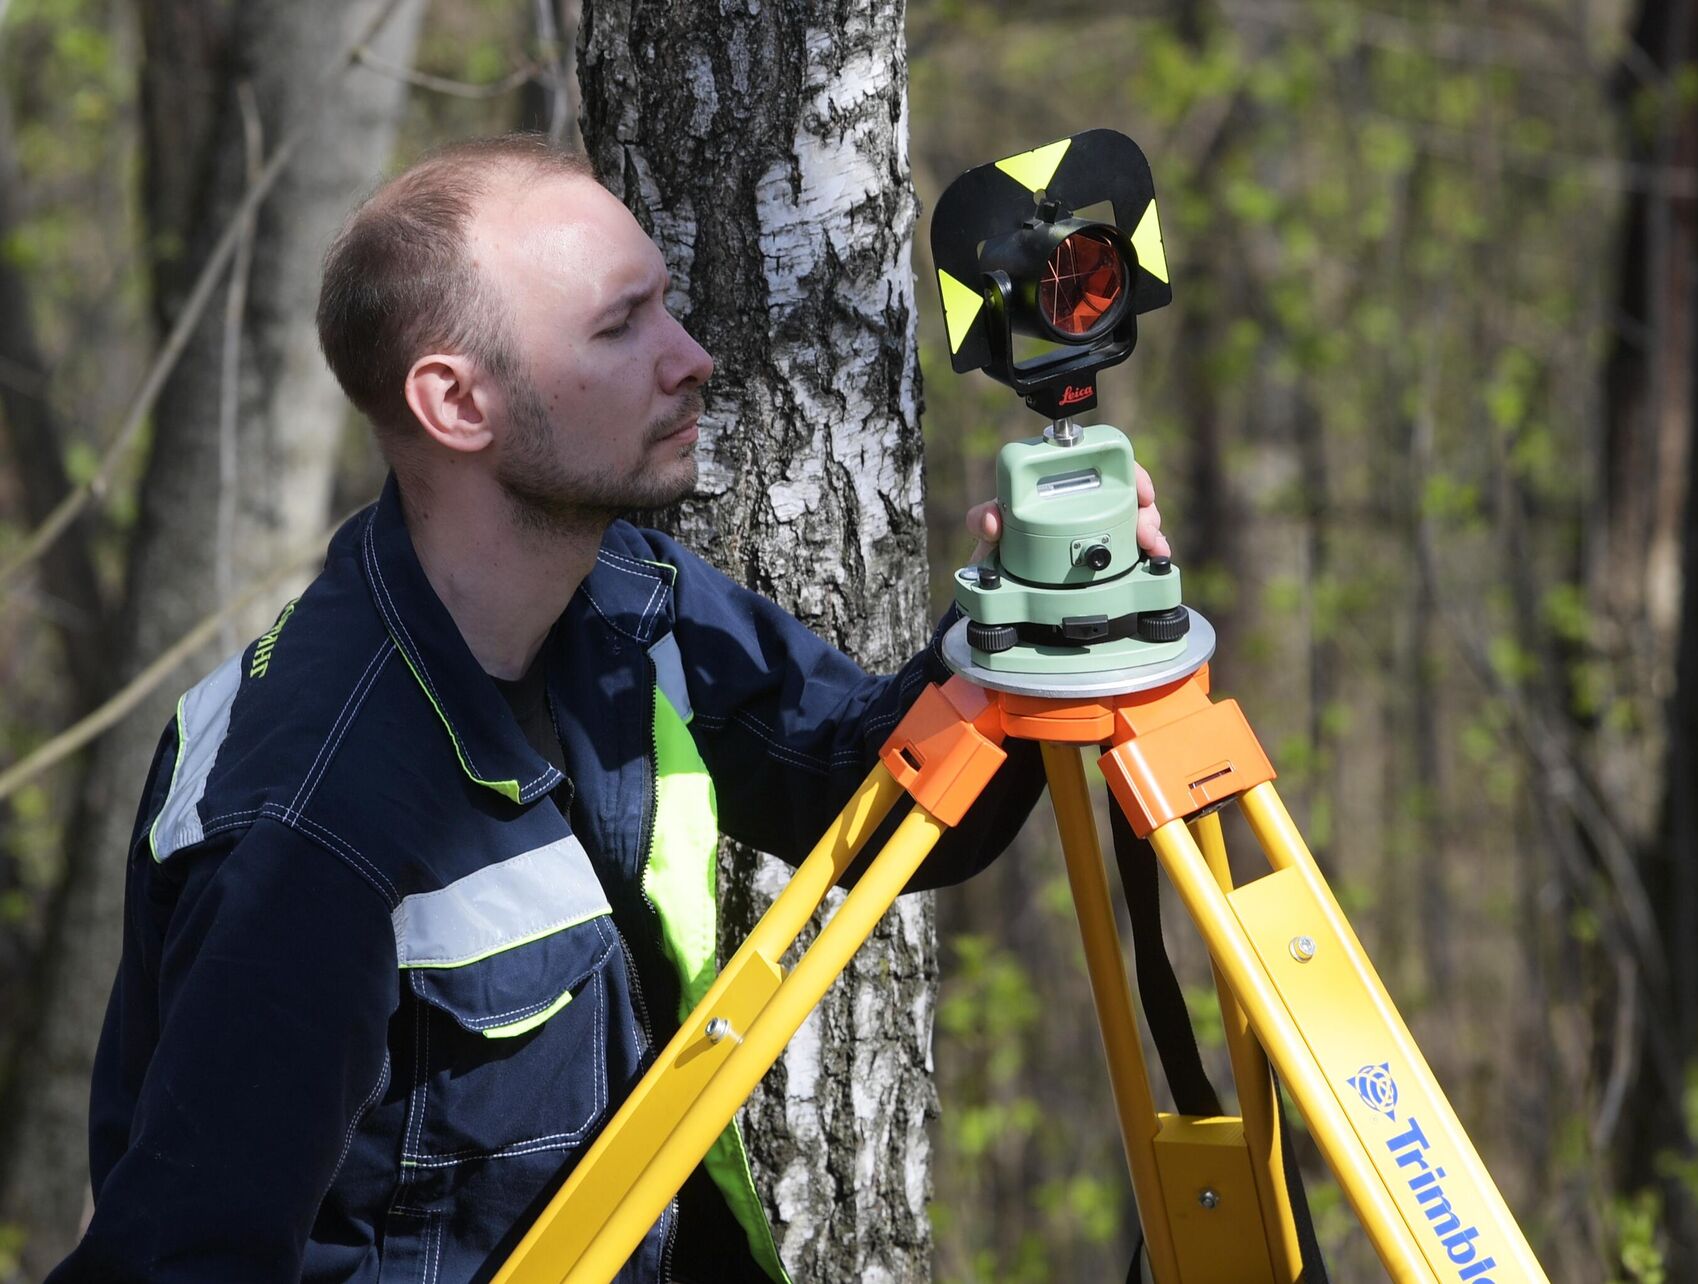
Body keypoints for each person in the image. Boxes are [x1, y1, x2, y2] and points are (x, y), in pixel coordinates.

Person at [49, 136, 1171, 1283]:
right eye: (618, 327)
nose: (694, 359)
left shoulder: (627, 602)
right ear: (457, 402)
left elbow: (876, 796)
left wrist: (1021, 636)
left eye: (667, 309)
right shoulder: (308, 825)